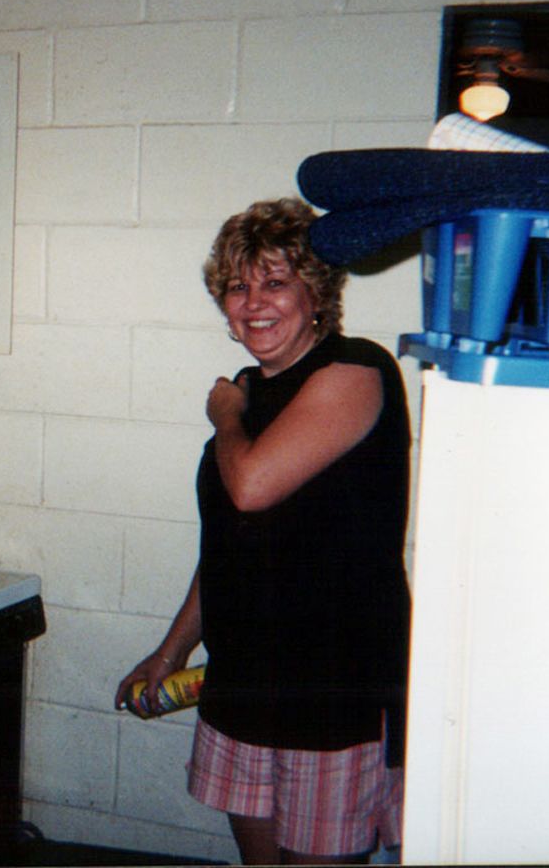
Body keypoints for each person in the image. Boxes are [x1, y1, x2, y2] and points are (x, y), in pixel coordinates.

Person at [115, 198, 411, 866]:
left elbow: (249, 488)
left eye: (275, 282)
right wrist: (171, 653)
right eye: (236, 286)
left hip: (334, 691)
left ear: (316, 292)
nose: (253, 303)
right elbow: (228, 545)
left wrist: (224, 417)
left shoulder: (355, 371)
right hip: (246, 679)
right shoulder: (250, 390)